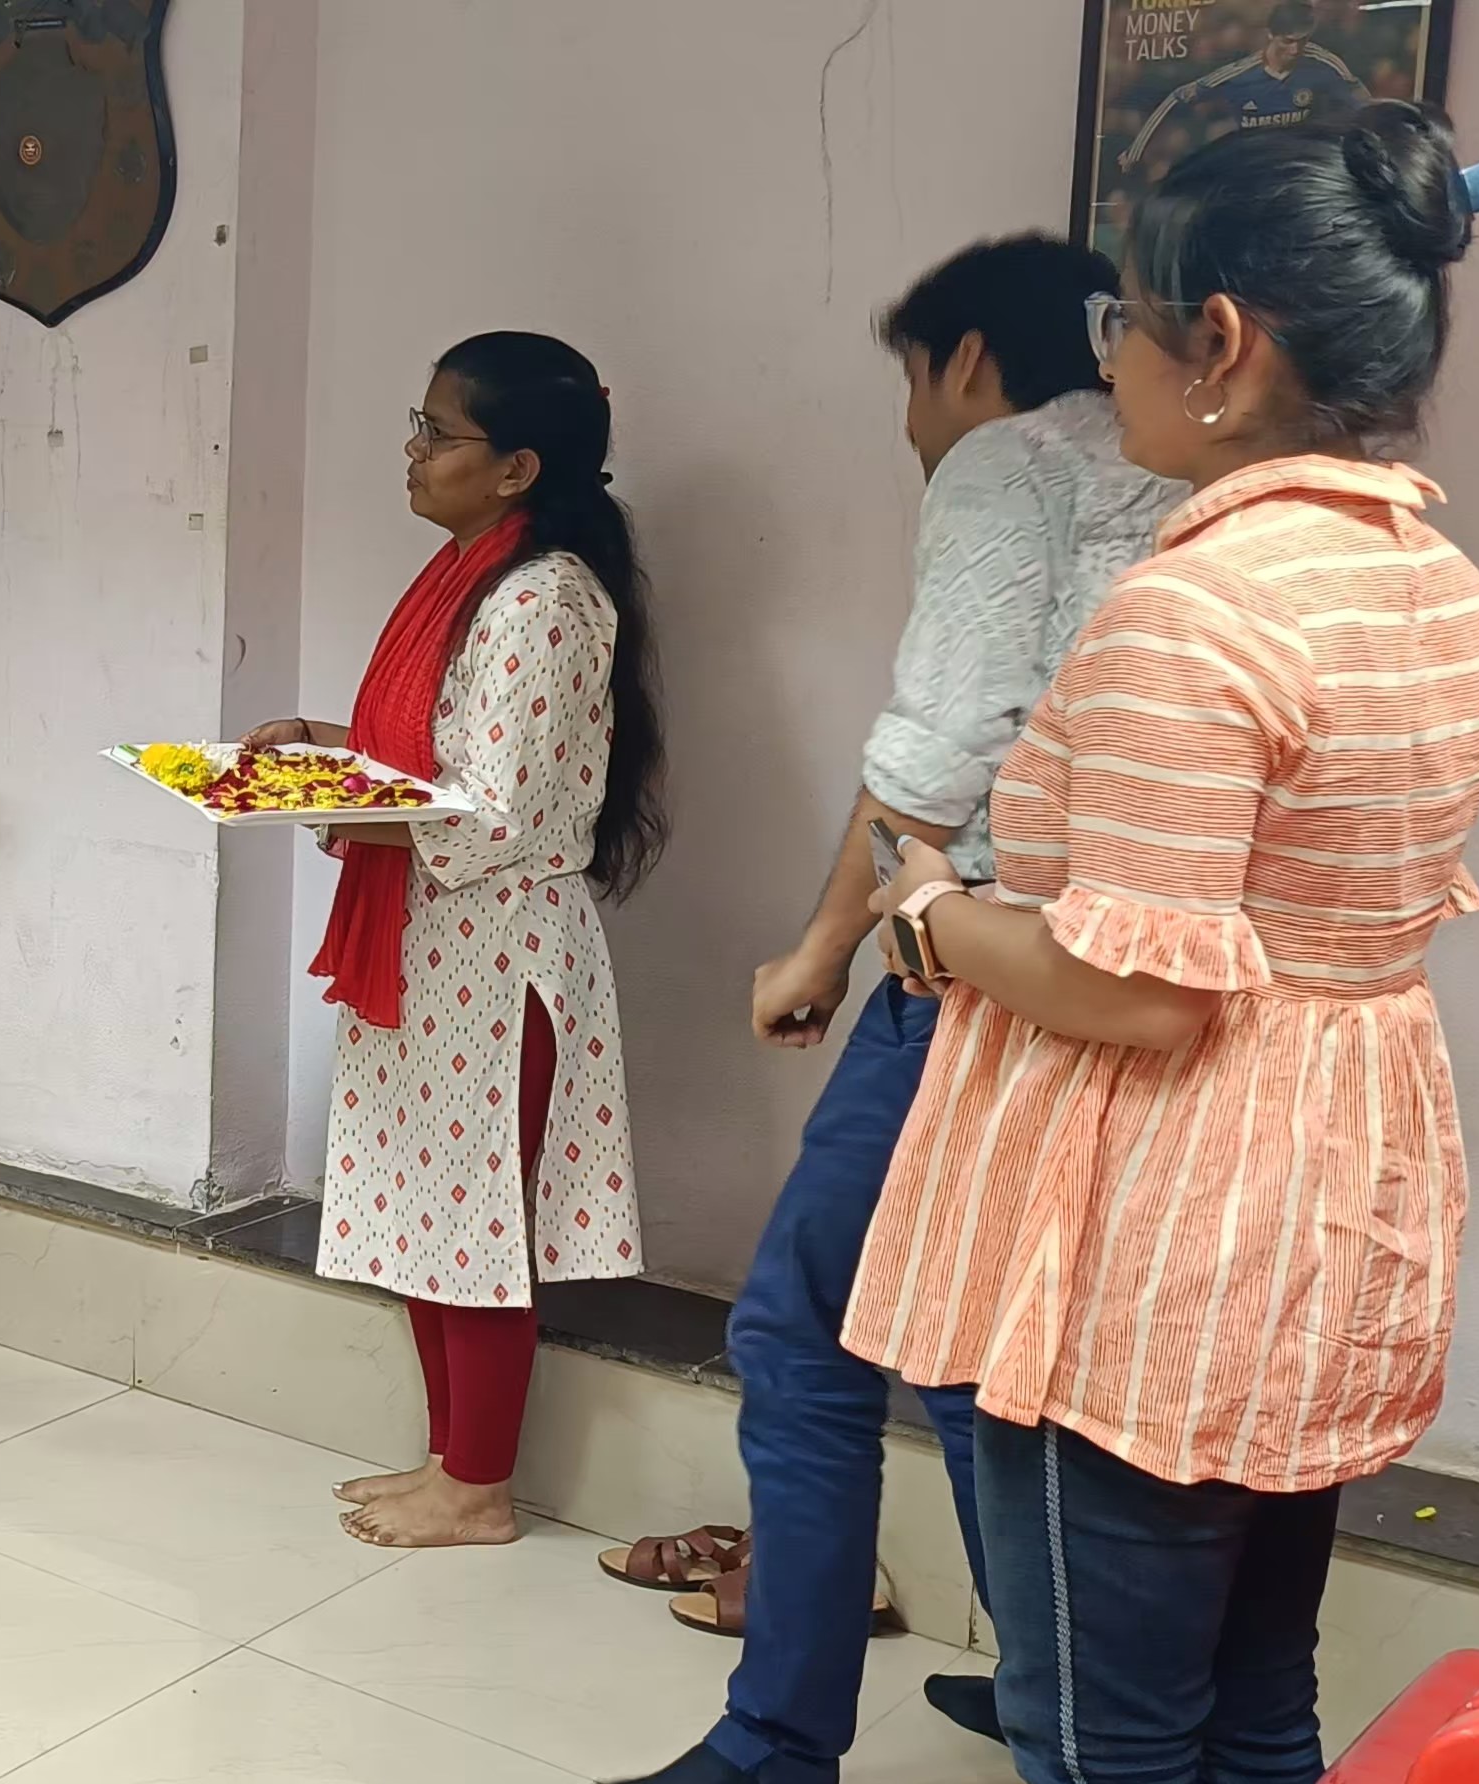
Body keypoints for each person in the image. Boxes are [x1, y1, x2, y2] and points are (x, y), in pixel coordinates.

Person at [844, 102, 1479, 1784]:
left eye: (1120, 325)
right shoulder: (1432, 580)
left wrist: (932, 910)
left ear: (1218, 342)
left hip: (1153, 1234)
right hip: (1322, 1198)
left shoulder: (1195, 611)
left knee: (1101, 1735)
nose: (1107, 366)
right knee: (1259, 1702)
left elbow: (1137, 995)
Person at [618, 237, 1183, 1784]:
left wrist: (820, 949)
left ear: (968, 363)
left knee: (799, 1330)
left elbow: (934, 763)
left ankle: (775, 1740)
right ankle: (1051, 1689)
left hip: (972, 973)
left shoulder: (1008, 462)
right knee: (967, 1345)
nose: (915, 420)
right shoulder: (1186, 475)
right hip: (1122, 975)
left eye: (913, 382)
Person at [248, 332, 666, 1550]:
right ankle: (448, 1461)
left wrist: (320, 797)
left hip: (495, 948)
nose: (414, 451)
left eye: (438, 433)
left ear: (515, 467)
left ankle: (479, 1486)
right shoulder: (475, 578)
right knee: (424, 1201)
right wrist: (328, 745)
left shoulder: (540, 598)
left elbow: (490, 814)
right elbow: (445, 755)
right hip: (432, 939)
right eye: (418, 424)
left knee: (476, 1214)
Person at [1121, 1, 1376, 170]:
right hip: (1252, 166)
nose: (1295, 49)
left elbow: (1363, 99)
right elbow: (1177, 97)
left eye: (1302, 40)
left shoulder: (1323, 62)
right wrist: (1135, 151)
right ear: (1270, 35)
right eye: (1288, 41)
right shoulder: (1239, 73)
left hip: (1303, 164)